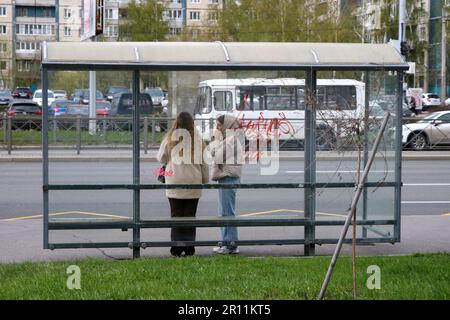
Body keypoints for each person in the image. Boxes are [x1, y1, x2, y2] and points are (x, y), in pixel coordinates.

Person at [157, 112, 209, 257]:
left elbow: (161, 158)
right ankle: (189, 248)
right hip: (193, 182)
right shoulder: (198, 142)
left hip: (174, 182)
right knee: (190, 217)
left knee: (176, 217)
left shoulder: (169, 139)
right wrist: (204, 180)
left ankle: (176, 249)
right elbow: (204, 165)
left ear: (176, 124)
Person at [211, 114, 244, 254]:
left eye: (219, 125)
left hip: (227, 177)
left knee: (227, 212)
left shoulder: (231, 139)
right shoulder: (230, 138)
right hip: (226, 177)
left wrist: (217, 140)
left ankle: (230, 245)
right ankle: (226, 242)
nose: (217, 128)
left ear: (227, 125)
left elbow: (217, 156)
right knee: (223, 212)